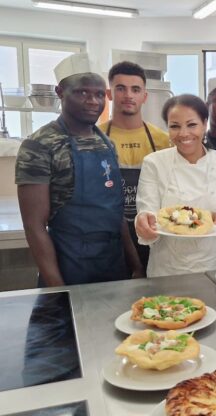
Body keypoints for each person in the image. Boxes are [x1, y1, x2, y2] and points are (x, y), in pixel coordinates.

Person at [15, 53, 142, 286]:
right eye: (82, 92)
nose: (93, 101)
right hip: (69, 267)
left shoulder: (106, 143)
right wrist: (57, 289)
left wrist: (135, 266)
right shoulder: (39, 145)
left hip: (113, 265)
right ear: (60, 93)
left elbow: (117, 215)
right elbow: (34, 226)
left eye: (98, 94)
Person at [134, 94, 216, 277]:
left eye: (192, 124)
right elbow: (147, 211)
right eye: (175, 126)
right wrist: (144, 223)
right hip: (169, 268)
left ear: (204, 124)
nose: (184, 133)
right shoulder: (154, 163)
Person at [98, 61, 170, 273]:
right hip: (109, 236)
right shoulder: (96, 137)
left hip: (151, 233)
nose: (128, 95)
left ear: (144, 96)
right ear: (109, 94)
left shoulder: (162, 139)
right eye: (121, 88)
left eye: (135, 89)